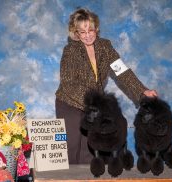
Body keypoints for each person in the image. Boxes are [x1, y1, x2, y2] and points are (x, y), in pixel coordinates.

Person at [55, 8, 158, 164]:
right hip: (69, 103)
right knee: (72, 144)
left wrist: (142, 91)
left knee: (89, 145)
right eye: (82, 32)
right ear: (76, 33)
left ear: (96, 28)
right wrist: (95, 103)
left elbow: (122, 72)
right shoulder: (70, 51)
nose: (88, 35)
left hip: (94, 104)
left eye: (90, 30)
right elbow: (69, 84)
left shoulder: (105, 47)